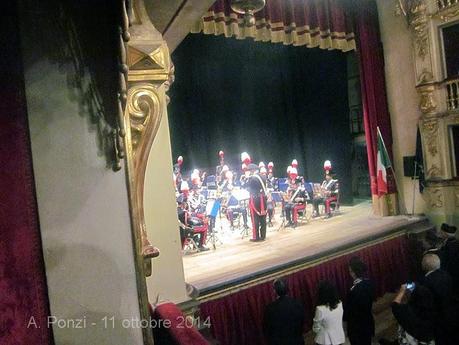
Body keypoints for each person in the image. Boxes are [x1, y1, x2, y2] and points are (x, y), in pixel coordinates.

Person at [420, 253, 455, 345]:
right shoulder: (446, 274)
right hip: (450, 311)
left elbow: (425, 303)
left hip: (436, 317)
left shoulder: (425, 282)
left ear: (424, 266)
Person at [344, 256, 375, 345]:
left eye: (350, 271)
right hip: (368, 321)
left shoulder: (353, 290)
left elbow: (348, 312)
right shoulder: (369, 282)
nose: (350, 273)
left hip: (356, 326)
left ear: (354, 273)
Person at [263, 279, 305, 345]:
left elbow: (267, 328)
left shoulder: (270, 308)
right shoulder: (297, 304)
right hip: (296, 340)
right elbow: (302, 321)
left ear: (274, 291)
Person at [313, 281, 345, 345]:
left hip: (325, 340)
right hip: (338, 336)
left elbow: (316, 328)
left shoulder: (320, 309)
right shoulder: (340, 303)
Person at [246, 163, 268, 242]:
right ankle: (263, 236)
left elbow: (250, 190)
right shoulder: (263, 176)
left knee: (255, 218)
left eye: (249, 170)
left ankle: (256, 237)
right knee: (263, 217)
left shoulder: (253, 179)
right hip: (263, 199)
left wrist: (246, 180)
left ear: (252, 170)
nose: (249, 172)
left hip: (255, 200)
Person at [437, 223, 459, 298]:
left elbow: (446, 261)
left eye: (441, 232)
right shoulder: (455, 242)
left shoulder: (449, 246)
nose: (440, 233)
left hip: (452, 273)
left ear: (445, 234)